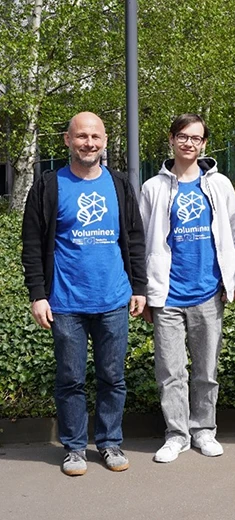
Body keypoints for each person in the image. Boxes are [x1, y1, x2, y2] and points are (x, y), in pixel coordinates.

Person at [21, 112, 147, 476]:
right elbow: (31, 244)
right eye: (81, 137)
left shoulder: (120, 185)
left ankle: (109, 442)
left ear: (104, 140)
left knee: (113, 377)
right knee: (70, 379)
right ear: (67, 140)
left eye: (95, 136)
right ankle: (75, 448)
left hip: (113, 300)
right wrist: (37, 294)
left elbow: (134, 239)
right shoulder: (48, 186)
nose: (89, 143)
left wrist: (139, 287)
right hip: (65, 302)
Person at [139, 114, 235, 463]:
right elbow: (141, 242)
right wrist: (143, 292)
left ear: (204, 144)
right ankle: (176, 434)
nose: (189, 143)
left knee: (206, 371)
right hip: (167, 295)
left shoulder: (220, 186)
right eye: (183, 136)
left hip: (207, 293)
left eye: (196, 138)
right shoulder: (153, 188)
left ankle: (203, 430)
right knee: (171, 371)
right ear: (171, 139)